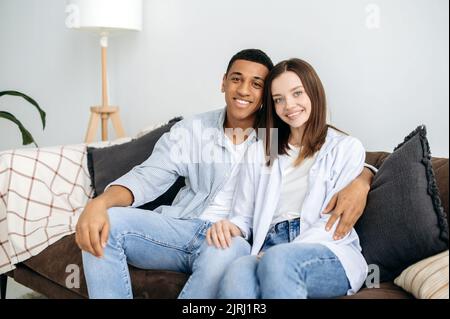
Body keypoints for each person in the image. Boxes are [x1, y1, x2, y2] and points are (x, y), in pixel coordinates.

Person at [75, 50, 374, 299]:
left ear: (264, 96)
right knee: (107, 221)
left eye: (256, 84)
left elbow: (330, 154)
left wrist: (365, 176)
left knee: (228, 257)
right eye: (236, 79)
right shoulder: (194, 131)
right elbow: (148, 176)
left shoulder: (271, 141)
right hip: (181, 226)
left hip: (231, 242)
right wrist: (100, 203)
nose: (244, 90)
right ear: (223, 83)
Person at [217, 58, 368, 299]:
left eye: (297, 93)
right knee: (236, 272)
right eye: (279, 99)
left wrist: (286, 250)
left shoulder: (346, 148)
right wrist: (231, 226)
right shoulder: (259, 151)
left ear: (314, 93)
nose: (289, 105)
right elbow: (243, 215)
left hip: (326, 249)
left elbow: (333, 223)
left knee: (278, 261)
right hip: (267, 247)